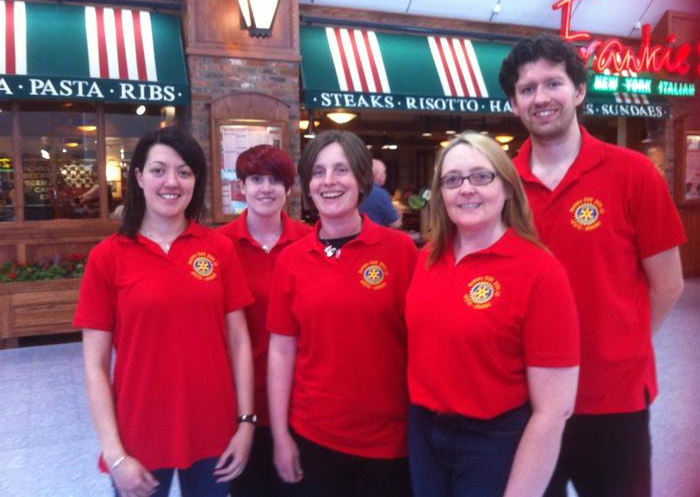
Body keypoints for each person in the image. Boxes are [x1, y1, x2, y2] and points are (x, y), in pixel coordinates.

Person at [499, 34, 686, 497]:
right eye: (527, 89)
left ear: (579, 91)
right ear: (514, 104)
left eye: (553, 83)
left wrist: (623, 345)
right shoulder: (501, 185)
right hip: (525, 399)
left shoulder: (634, 174)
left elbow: (668, 284)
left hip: (613, 400)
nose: (541, 97)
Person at [73, 127, 255, 497]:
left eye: (184, 172)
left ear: (195, 180)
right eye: (159, 170)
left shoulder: (219, 249)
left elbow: (239, 343)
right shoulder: (107, 257)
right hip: (139, 436)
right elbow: (95, 366)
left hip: (213, 430)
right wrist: (115, 455)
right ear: (139, 177)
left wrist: (246, 423)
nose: (171, 182)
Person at [405, 132, 580, 497]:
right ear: (440, 194)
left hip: (492, 441)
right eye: (452, 180)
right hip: (424, 432)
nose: (466, 189)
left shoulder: (540, 272)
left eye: (481, 176)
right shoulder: (428, 259)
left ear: (507, 187)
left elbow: (553, 411)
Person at [267, 130, 417, 497]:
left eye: (341, 170)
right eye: (318, 172)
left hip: (388, 442)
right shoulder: (291, 260)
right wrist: (280, 435)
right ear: (307, 185)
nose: (328, 181)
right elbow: (281, 351)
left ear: (362, 180)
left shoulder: (400, 251)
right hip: (313, 436)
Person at [218, 144, 312, 497]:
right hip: (243, 403)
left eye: (276, 180)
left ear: (288, 188)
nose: (266, 188)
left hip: (301, 401)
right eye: (256, 179)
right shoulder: (220, 246)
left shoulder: (310, 242)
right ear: (241, 187)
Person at [359, 158, 401, 228]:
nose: (386, 175)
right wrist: (399, 213)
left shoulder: (355, 190)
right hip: (374, 233)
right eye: (384, 172)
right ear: (378, 175)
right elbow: (395, 224)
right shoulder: (381, 194)